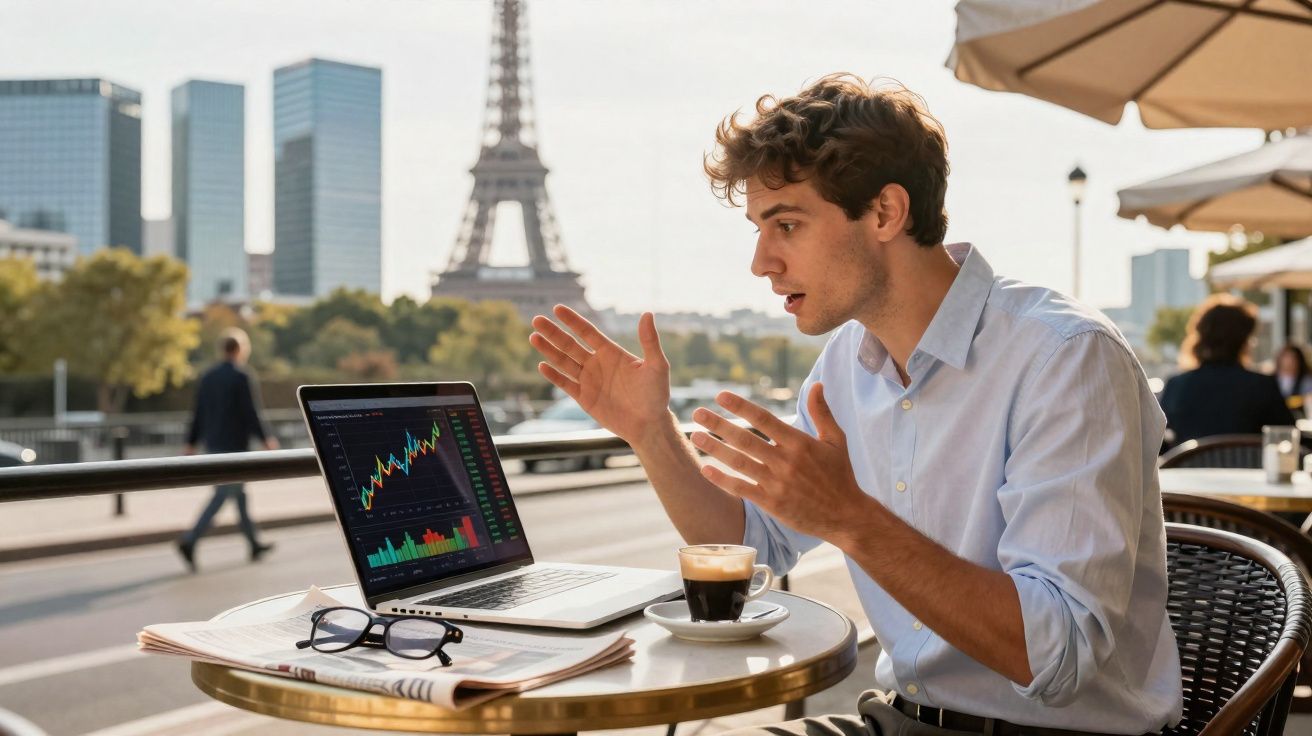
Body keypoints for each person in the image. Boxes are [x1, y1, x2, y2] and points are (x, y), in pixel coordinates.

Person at [530, 74, 1181, 735]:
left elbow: (1057, 655)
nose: (761, 262)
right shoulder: (847, 363)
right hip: (897, 720)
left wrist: (849, 518)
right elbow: (752, 546)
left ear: (885, 213)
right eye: (758, 229)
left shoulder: (1066, 357)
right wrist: (650, 433)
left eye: (786, 225)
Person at [176, 328, 279, 571]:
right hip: (235, 448)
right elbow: (251, 412)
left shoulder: (208, 376)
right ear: (241, 349)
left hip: (213, 445)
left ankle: (253, 543)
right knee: (223, 494)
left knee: (239, 495)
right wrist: (266, 439)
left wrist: (191, 442)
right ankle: (190, 540)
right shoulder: (242, 376)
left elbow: (198, 413)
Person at [1159, 294, 1294, 447]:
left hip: (1188, 463)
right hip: (1247, 463)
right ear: (1244, 341)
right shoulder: (1262, 386)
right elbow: (1288, 439)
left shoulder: (1176, 386)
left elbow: (1157, 442)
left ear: (1200, 337)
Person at [1275, 342, 1312, 416]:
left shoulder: (1306, 381)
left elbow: (1308, 398)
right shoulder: (1272, 380)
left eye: (1293, 358)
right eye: (1286, 357)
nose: (1289, 361)